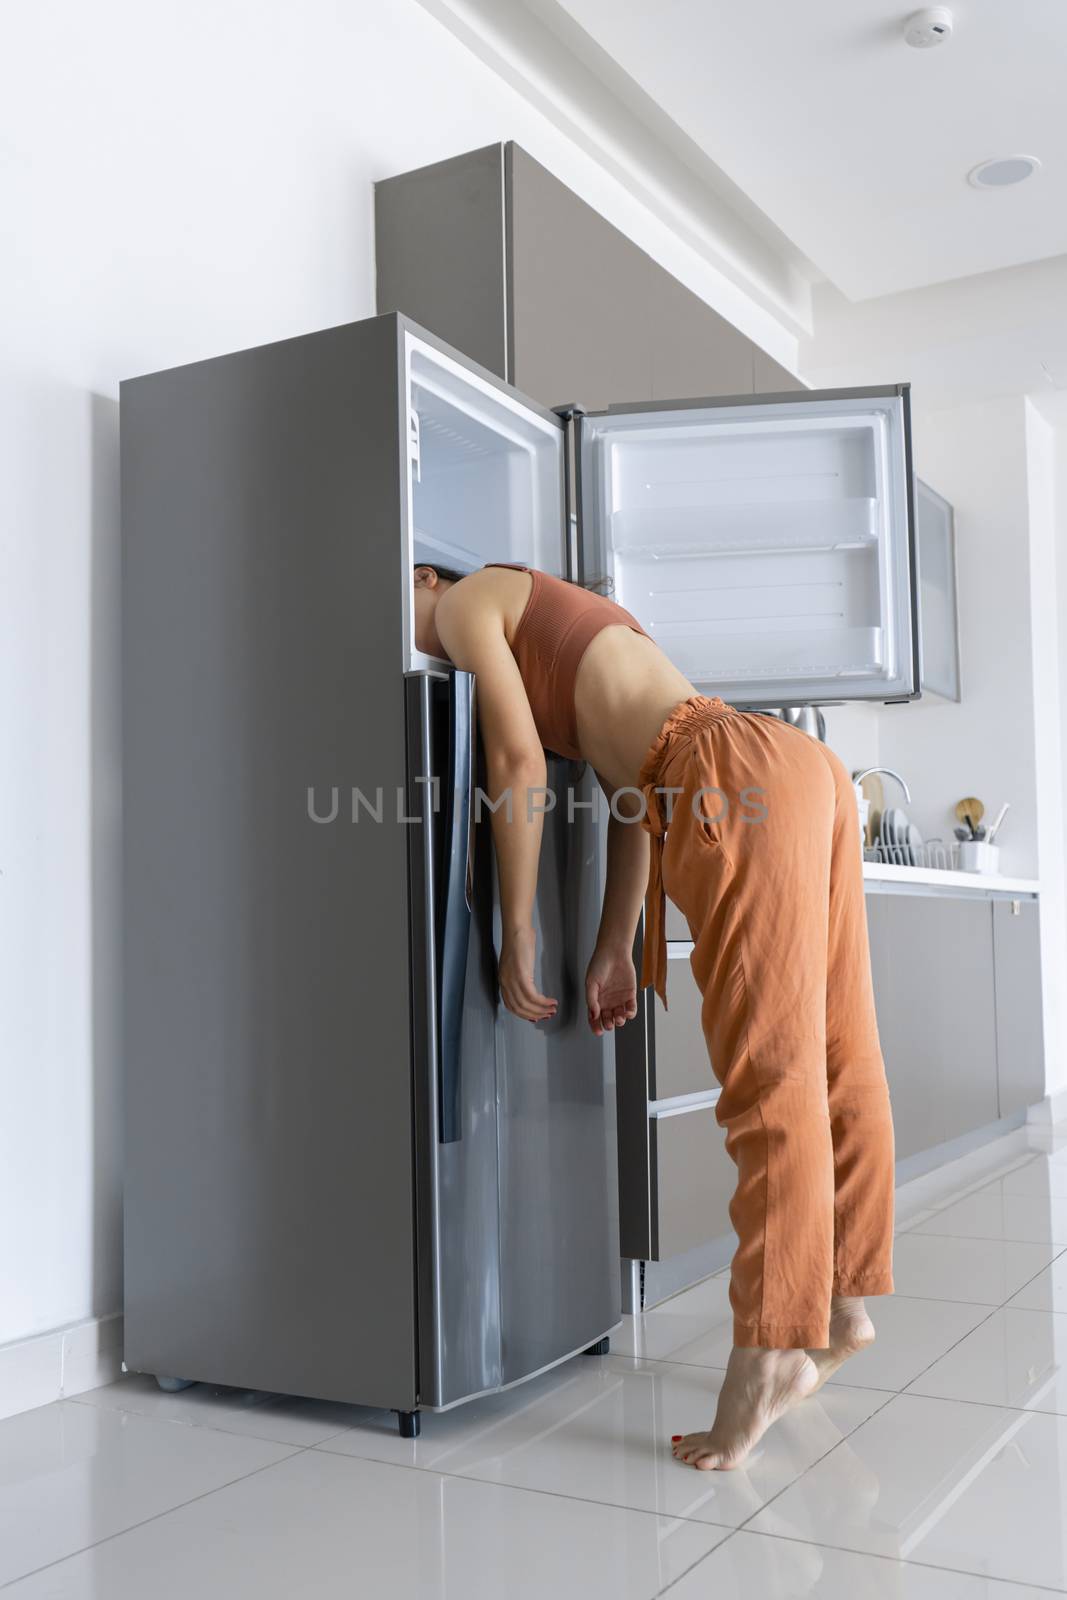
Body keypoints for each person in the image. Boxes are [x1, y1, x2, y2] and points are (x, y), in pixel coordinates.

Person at [413, 560, 895, 1471]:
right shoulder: (588, 622)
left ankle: (764, 1352)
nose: (412, 641)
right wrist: (613, 945)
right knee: (839, 1048)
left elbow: (518, 764)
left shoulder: (472, 603)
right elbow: (635, 793)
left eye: (403, 612)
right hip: (800, 769)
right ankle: (840, 1301)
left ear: (424, 577)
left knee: (770, 1080)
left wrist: (513, 924)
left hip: (728, 773)